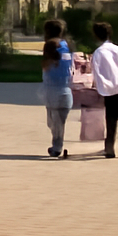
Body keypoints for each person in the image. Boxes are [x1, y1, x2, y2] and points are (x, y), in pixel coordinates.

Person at [90, 20, 118, 158]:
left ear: (96, 35)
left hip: (107, 91)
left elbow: (95, 72)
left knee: (110, 120)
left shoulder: (98, 53)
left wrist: (96, 87)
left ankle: (109, 149)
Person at [41, 19, 73, 158]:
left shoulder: (50, 44)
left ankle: (57, 147)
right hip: (67, 89)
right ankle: (57, 145)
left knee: (53, 121)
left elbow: (45, 65)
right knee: (59, 121)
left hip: (52, 89)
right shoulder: (68, 44)